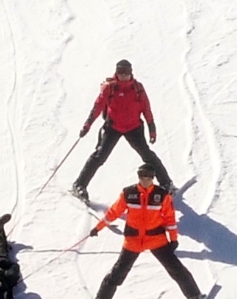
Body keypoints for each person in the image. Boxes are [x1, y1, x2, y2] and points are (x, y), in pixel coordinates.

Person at [88, 163, 203, 299]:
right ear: (139, 177)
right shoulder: (129, 193)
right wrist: (98, 227)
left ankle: (194, 297)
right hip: (133, 240)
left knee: (175, 268)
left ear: (153, 178)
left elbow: (169, 219)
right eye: (143, 177)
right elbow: (114, 212)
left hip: (156, 239)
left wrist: (173, 239)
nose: (146, 180)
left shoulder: (162, 195)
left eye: (149, 177)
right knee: (119, 270)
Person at [71, 60, 176, 202]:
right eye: (121, 73)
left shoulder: (138, 88)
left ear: (131, 73)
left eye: (126, 73)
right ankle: (79, 185)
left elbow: (146, 108)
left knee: (148, 156)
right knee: (99, 156)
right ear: (117, 73)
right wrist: (87, 125)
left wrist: (152, 128)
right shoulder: (110, 88)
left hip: (134, 128)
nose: (124, 76)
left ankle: (167, 184)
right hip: (113, 127)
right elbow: (98, 106)